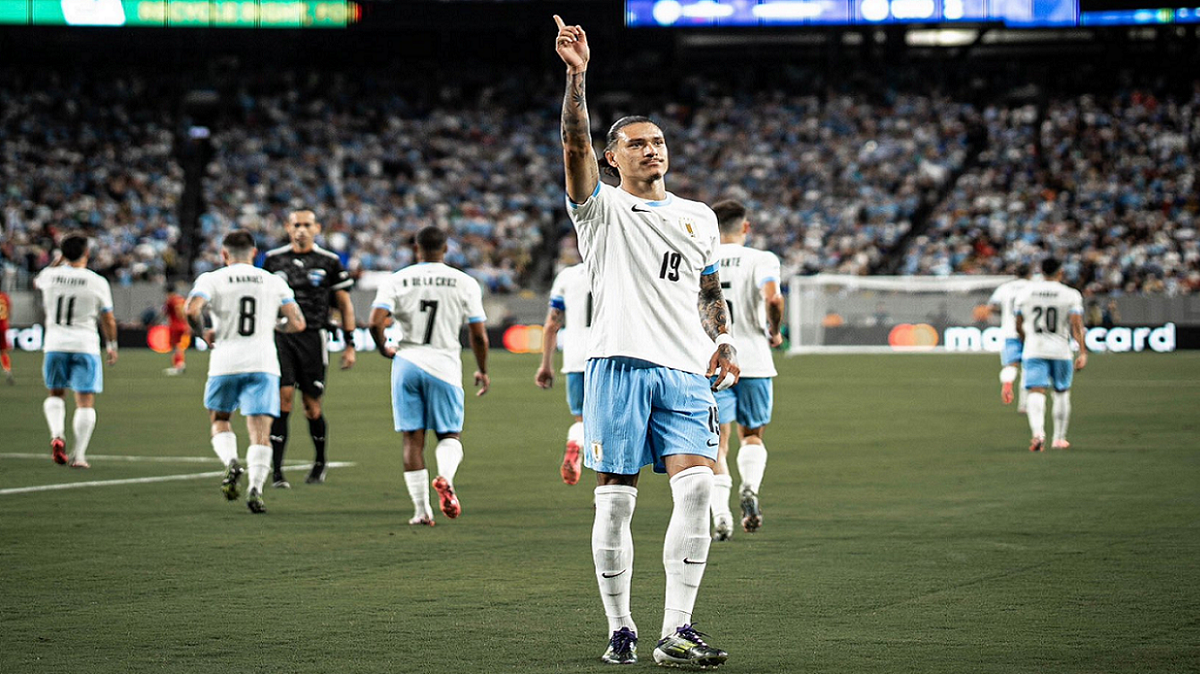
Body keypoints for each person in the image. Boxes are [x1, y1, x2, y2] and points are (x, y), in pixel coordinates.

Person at [555, 15, 737, 668]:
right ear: (613, 157)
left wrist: (725, 340)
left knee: (698, 490)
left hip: (686, 371)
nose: (651, 151)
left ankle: (677, 629)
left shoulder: (699, 216)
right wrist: (578, 78)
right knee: (616, 501)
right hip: (620, 365)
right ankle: (621, 627)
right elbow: (573, 145)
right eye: (636, 144)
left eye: (657, 142)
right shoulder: (600, 207)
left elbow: (708, 289)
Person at [368, 226, 489, 527]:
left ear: (416, 248)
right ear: (445, 249)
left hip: (407, 361)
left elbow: (374, 322)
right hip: (444, 365)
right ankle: (445, 477)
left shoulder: (396, 279)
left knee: (412, 439)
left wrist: (383, 347)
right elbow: (478, 334)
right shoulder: (464, 282)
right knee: (449, 435)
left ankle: (421, 511)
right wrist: (483, 369)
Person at [187, 230, 305, 513]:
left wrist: (202, 333)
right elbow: (298, 323)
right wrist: (275, 326)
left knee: (220, 418)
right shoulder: (273, 281)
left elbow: (191, 310)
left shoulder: (211, 279)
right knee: (260, 430)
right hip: (263, 363)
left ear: (224, 254)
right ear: (254, 253)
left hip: (225, 362)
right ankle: (256, 489)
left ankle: (230, 461)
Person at [262, 209, 356, 488]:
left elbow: (344, 304)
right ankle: (277, 471)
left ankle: (319, 462)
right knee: (283, 400)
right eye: (296, 225)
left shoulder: (329, 261)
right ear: (287, 228)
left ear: (317, 228)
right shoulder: (273, 260)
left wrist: (350, 344)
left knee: (312, 407)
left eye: (306, 225)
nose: (301, 229)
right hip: (281, 338)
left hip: (314, 337)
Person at [707, 200, 783, 541]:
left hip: (715, 361)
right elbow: (773, 298)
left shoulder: (700, 258)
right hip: (754, 360)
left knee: (717, 443)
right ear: (746, 227)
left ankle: (721, 515)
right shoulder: (761, 259)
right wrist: (775, 330)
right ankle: (749, 488)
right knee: (751, 435)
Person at [34, 235, 119, 468]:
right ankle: (79, 455)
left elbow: (37, 281)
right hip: (85, 345)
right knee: (85, 401)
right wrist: (112, 345)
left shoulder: (49, 276)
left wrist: (57, 262)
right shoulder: (97, 281)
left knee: (55, 393)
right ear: (87, 253)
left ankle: (57, 435)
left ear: (62, 254)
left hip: (55, 344)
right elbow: (108, 318)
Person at [1014, 258, 1086, 452]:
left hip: (1034, 348)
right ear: (1060, 272)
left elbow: (1018, 324)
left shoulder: (1026, 292)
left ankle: (1038, 434)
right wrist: (1082, 352)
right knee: (1061, 392)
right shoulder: (1070, 294)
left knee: (1036, 391)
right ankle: (1059, 439)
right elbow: (1076, 325)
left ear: (1041, 271)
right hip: (1060, 350)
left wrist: (1026, 340)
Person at [534, 251, 591, 485]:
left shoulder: (567, 276)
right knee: (610, 428)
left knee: (581, 420)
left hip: (576, 358)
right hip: (611, 356)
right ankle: (606, 493)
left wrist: (546, 365)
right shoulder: (618, 271)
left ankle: (576, 443)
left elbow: (552, 324)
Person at [988, 263, 1034, 411]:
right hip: (1030, 332)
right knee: (1028, 367)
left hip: (1009, 331)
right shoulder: (1034, 287)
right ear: (1029, 274)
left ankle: (1008, 383)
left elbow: (992, 306)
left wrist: (1005, 312)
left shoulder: (1005, 287)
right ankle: (1024, 405)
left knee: (1010, 365)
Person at [162, 281, 191, 375]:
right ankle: (180, 364)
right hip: (183, 325)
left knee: (175, 347)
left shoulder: (170, 300)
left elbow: (166, 312)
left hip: (175, 326)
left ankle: (178, 365)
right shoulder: (181, 299)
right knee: (179, 346)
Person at [0, 284, 13, 384]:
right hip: (3, 327)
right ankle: (7, 370)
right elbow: (9, 312)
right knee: (3, 351)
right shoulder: (5, 297)